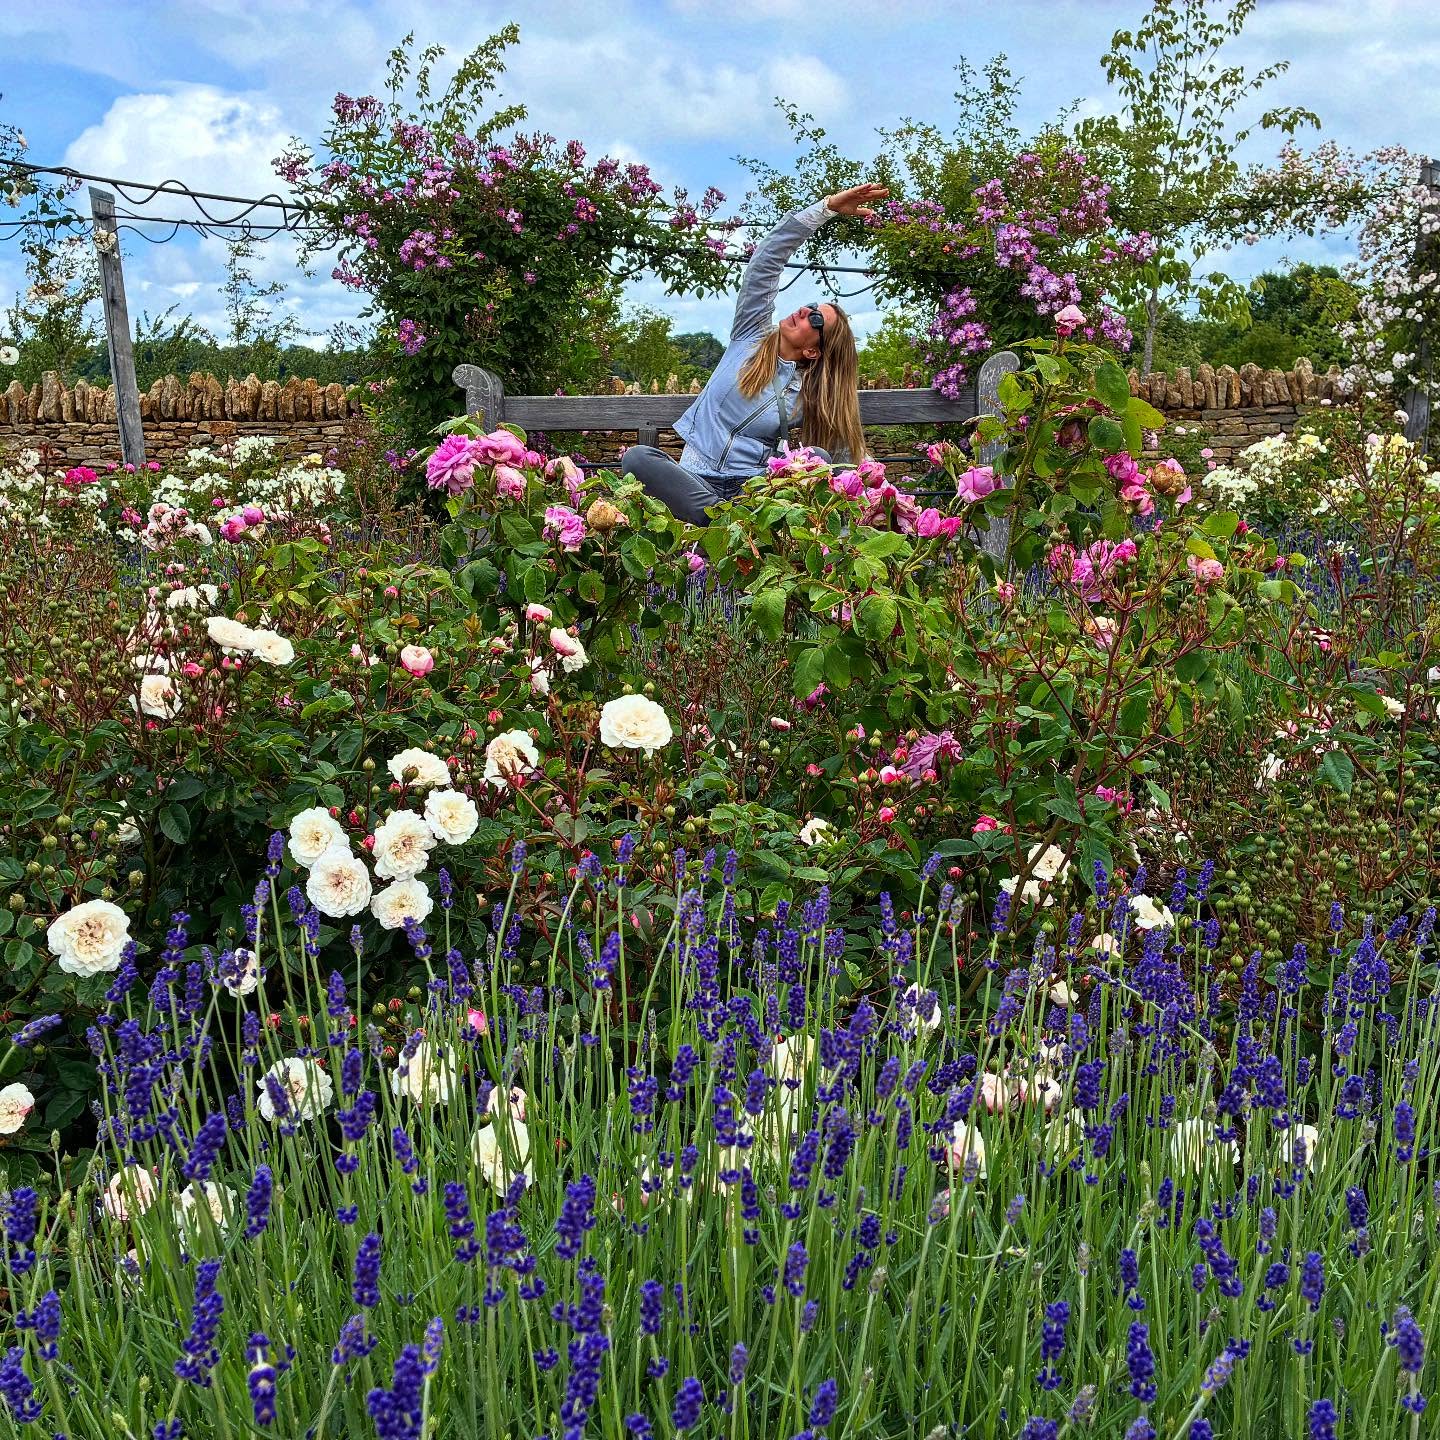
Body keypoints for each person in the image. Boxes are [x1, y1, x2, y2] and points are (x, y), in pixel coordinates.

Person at [621, 184, 888, 524]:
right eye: (809, 306)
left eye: (816, 318)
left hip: (755, 490)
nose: (805, 311)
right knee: (638, 459)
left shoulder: (810, 394)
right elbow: (766, 260)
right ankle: (725, 524)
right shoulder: (749, 336)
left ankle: (728, 522)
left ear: (814, 351)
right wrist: (827, 208)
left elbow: (849, 456)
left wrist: (887, 503)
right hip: (696, 480)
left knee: (816, 458)